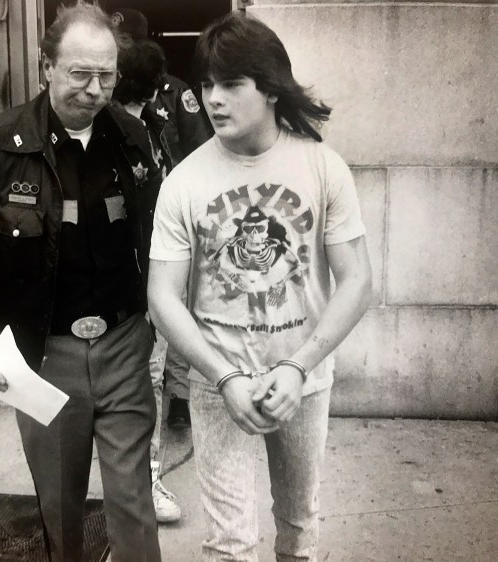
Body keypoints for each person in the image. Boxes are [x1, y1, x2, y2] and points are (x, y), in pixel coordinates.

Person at [0, 3, 162, 561]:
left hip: (125, 346)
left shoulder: (133, 138)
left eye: (107, 75)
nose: (95, 89)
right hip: (43, 357)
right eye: (80, 73)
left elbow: (160, 236)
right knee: (60, 505)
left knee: (133, 501)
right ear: (46, 67)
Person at [148, 12, 372, 562]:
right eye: (206, 85)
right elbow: (161, 295)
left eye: (230, 84)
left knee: (299, 528)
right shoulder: (186, 181)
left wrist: (298, 366)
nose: (212, 99)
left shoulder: (323, 167)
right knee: (229, 545)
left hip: (303, 379)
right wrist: (222, 376)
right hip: (216, 381)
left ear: (270, 88)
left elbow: (358, 279)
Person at [110, 6, 213, 432]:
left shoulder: (174, 91)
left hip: (174, 220)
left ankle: (180, 398)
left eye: (126, 45)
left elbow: (198, 148)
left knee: (177, 318)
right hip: (139, 233)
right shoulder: (109, 108)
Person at [111, 36, 181, 523]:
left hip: (156, 273)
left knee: (153, 374)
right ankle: (141, 477)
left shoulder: (156, 127)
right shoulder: (108, 133)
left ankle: (146, 474)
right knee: (142, 379)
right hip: (121, 282)